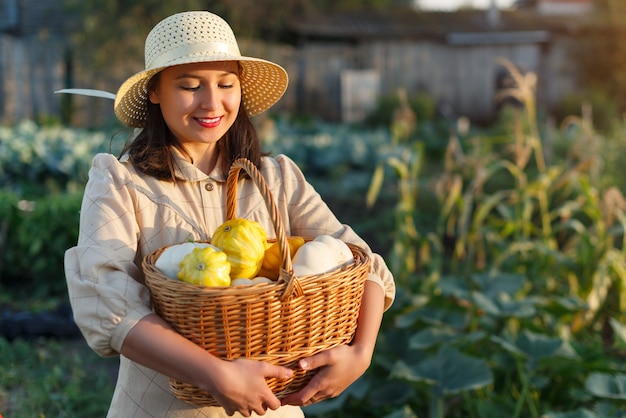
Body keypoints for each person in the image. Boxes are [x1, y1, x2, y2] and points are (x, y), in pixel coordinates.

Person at [64, 10, 395, 418]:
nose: (211, 102)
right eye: (189, 86)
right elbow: (104, 299)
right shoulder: (120, 181)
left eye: (226, 84)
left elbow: (364, 265)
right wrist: (215, 374)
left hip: (271, 409)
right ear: (154, 91)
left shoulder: (276, 177)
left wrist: (360, 354)